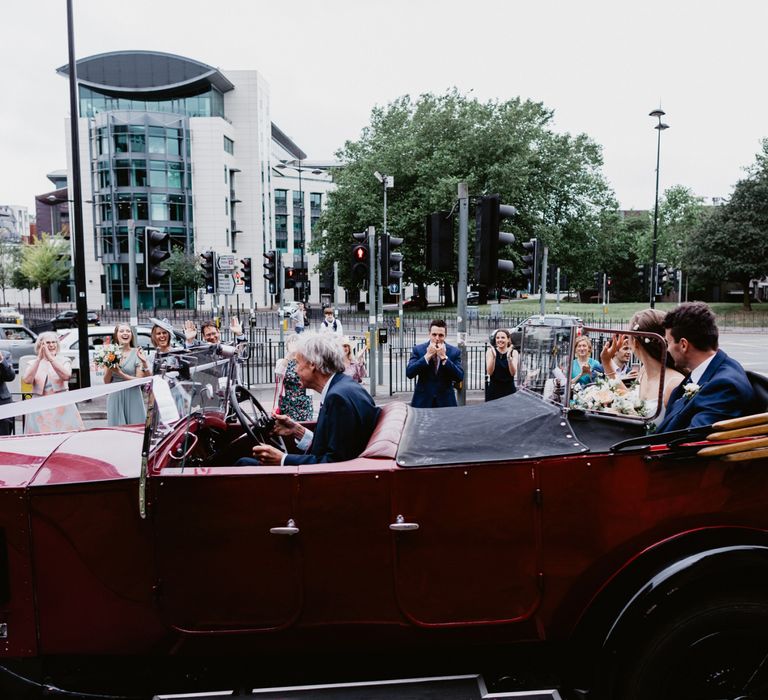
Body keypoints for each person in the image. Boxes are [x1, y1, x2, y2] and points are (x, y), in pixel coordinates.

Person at [241, 332, 380, 465]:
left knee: (243, 464)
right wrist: (298, 431)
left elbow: (334, 463)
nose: (295, 370)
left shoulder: (337, 398)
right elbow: (335, 446)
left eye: (297, 363)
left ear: (312, 364)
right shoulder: (343, 387)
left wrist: (282, 459)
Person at [655, 302, 756, 432]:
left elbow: (693, 439)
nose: (667, 349)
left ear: (683, 345)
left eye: (668, 342)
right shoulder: (709, 371)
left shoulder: (725, 386)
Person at [600, 309, 684, 425]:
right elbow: (630, 399)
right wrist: (606, 362)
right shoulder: (643, 371)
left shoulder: (673, 383)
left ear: (634, 342)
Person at [22, 332, 83, 434]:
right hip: (39, 406)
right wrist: (38, 359)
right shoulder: (32, 363)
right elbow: (27, 380)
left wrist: (51, 359)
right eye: (48, 342)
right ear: (40, 345)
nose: (51, 345)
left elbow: (66, 376)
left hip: (62, 405)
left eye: (54, 342)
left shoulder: (64, 361)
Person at [406, 319, 464, 408]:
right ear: (429, 334)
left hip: (446, 403)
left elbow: (459, 376)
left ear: (445, 336)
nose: (437, 338)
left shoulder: (454, 352)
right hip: (423, 402)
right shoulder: (418, 350)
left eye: (441, 335)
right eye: (434, 334)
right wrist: (427, 356)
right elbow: (409, 373)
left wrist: (444, 358)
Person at [104, 323, 149, 426]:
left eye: (128, 331)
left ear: (132, 335)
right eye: (122, 331)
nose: (125, 333)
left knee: (136, 430)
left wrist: (120, 373)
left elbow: (139, 381)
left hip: (133, 395)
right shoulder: (110, 353)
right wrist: (111, 366)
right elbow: (106, 382)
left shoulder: (137, 353)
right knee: (118, 432)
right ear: (116, 335)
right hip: (115, 395)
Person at [274, 333, 313, 421]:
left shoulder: (305, 361)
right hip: (287, 400)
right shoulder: (282, 361)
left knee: (304, 426)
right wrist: (290, 355)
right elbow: (278, 373)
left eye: (296, 343)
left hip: (304, 400)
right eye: (291, 343)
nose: (294, 346)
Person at [485, 328, 518, 401]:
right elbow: (490, 372)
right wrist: (494, 357)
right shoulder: (491, 352)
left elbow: (513, 373)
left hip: (509, 391)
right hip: (494, 391)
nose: (500, 340)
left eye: (503, 337)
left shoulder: (514, 352)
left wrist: (509, 357)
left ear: (508, 339)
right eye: (497, 338)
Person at [0, 349, 15, 435]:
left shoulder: (5, 354)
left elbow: (10, 377)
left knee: (3, 441)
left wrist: (1, 361)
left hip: (2, 405)